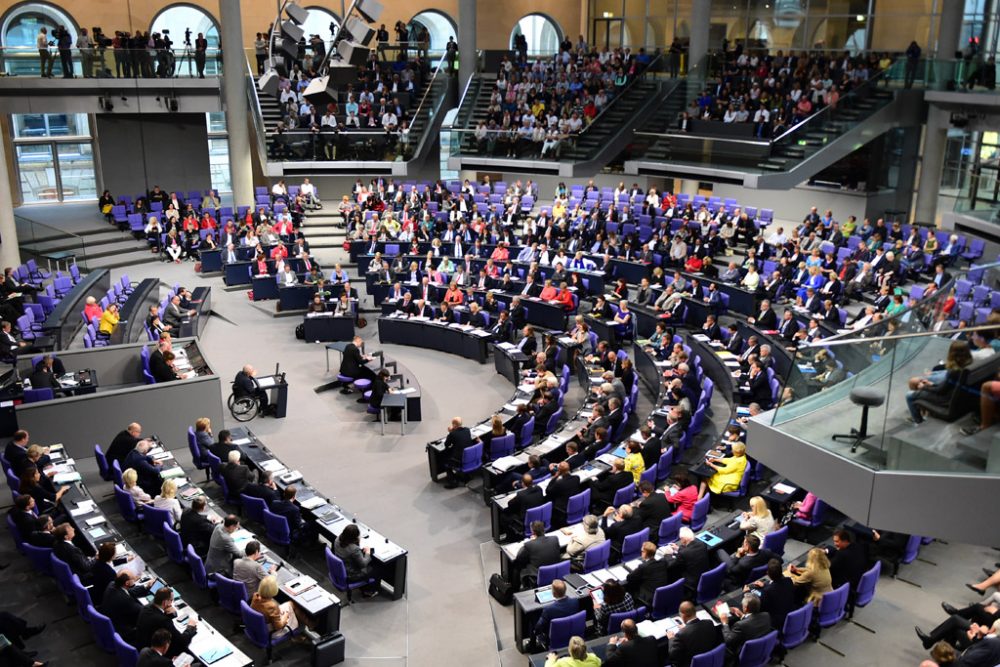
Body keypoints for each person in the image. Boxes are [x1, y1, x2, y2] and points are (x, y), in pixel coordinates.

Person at [136, 587, 197, 658]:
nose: (172, 602)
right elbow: (181, 642)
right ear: (165, 602)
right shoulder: (163, 621)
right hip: (159, 654)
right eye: (171, 600)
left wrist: (170, 613)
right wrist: (190, 627)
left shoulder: (146, 607)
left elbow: (157, 617)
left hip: (143, 646)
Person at [667, 601, 723, 667]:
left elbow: (673, 656)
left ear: (683, 615)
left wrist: (671, 639)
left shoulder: (681, 635)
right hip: (711, 661)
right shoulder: (709, 623)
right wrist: (686, 628)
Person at [719, 594, 772, 660]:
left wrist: (725, 623)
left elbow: (728, 640)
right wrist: (742, 616)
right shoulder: (766, 615)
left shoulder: (740, 625)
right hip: (761, 648)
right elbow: (753, 622)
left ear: (746, 608)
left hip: (744, 653)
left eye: (743, 605)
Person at [513, 520, 561, 590]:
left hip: (539, 575)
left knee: (516, 567)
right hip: (555, 572)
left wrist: (531, 541)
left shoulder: (529, 544)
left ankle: (515, 591)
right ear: (544, 529)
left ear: (533, 532)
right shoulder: (555, 539)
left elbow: (519, 557)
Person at [334, 523, 379, 597]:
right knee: (375, 568)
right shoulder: (354, 549)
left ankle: (365, 587)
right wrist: (367, 552)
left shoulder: (337, 539)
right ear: (354, 537)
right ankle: (368, 591)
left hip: (341, 569)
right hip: (351, 575)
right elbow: (363, 564)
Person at [533, 579, 580, 650]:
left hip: (555, 638)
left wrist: (535, 632)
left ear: (554, 594)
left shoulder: (548, 609)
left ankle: (532, 646)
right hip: (573, 634)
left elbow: (539, 626)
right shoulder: (575, 602)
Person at [669, 527, 712, 599]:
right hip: (704, 575)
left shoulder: (683, 553)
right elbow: (690, 551)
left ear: (684, 540)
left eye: (680, 539)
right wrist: (679, 549)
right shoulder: (702, 544)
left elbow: (672, 565)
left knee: (672, 573)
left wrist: (667, 555)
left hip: (692, 582)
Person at [625, 541, 672, 606]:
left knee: (629, 587)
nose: (641, 553)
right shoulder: (663, 562)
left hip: (649, 597)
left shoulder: (643, 567)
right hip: (662, 594)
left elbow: (629, 578)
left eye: (642, 551)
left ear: (645, 553)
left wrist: (635, 570)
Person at [442, 416, 474, 489]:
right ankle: (466, 476)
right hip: (469, 456)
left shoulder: (452, 434)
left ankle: (452, 482)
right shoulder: (467, 430)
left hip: (460, 460)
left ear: (454, 425)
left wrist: (450, 433)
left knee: (446, 462)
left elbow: (447, 444)